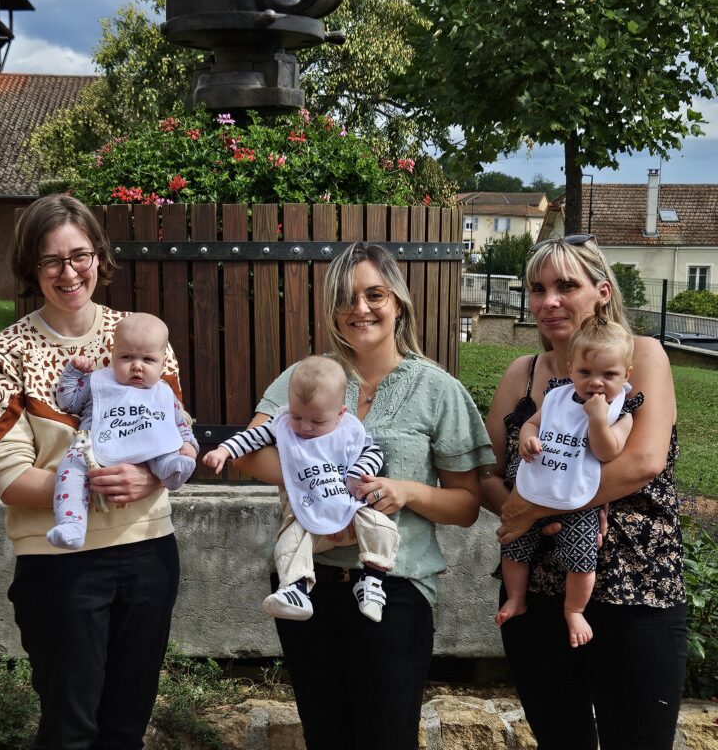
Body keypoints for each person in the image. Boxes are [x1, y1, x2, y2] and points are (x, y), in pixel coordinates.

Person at [231, 242, 494, 750]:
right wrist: (320, 493)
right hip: (309, 583)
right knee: (325, 733)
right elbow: (248, 452)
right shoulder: (305, 377)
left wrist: (407, 490)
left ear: (398, 301)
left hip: (395, 587)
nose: (361, 309)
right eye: (347, 298)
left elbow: (466, 505)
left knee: (387, 736)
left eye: (375, 294)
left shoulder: (437, 389)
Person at [0, 194, 187, 749]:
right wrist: (90, 486)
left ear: (99, 257)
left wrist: (151, 477)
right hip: (59, 564)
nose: (68, 272)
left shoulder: (142, 334)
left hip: (147, 551)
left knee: (126, 726)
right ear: (31, 267)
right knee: (70, 728)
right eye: (51, 260)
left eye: (80, 255)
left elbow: (174, 433)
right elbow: (9, 476)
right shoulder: (8, 352)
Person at [481, 234, 684, 750]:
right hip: (534, 590)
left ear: (601, 291)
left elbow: (642, 462)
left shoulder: (642, 357)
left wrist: (536, 506)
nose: (548, 300)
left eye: (565, 285)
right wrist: (517, 510)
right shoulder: (522, 374)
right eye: (537, 288)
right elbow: (485, 470)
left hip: (635, 585)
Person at [203, 354, 398, 623]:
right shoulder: (283, 426)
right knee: (289, 540)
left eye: (317, 422)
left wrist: (357, 474)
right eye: (296, 416)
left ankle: (373, 581)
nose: (304, 427)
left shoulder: (349, 431)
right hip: (307, 519)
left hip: (350, 512)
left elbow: (373, 453)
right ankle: (295, 589)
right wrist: (224, 449)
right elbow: (252, 437)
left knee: (381, 526)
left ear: (340, 413)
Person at [497, 304, 639, 647]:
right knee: (513, 544)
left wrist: (596, 419)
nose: (596, 383)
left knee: (582, 556)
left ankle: (574, 610)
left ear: (626, 373)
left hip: (579, 499)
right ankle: (516, 597)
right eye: (586, 372)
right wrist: (529, 438)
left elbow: (607, 452)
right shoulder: (558, 397)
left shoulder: (623, 413)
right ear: (571, 368)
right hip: (537, 483)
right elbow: (534, 423)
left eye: (609, 375)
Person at [49, 312, 198, 549]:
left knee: (165, 452)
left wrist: (187, 443)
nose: (137, 366)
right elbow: (68, 403)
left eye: (148, 360)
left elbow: (177, 422)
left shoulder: (162, 391)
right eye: (126, 357)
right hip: (93, 448)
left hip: (148, 446)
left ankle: (173, 471)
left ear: (162, 362)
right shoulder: (97, 381)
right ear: (113, 354)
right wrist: (73, 374)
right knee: (70, 469)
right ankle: (71, 523)